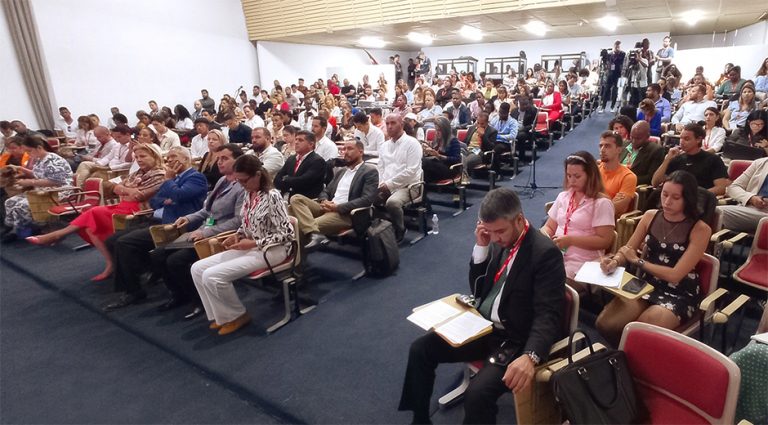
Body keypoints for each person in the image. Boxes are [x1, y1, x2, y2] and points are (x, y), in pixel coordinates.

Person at [398, 188, 565, 424]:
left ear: (519, 219)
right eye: (490, 231)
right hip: (483, 327)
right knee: (420, 349)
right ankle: (420, 420)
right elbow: (479, 291)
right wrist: (482, 248)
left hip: (515, 339)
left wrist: (531, 355)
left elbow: (548, 315)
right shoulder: (497, 240)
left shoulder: (544, 254)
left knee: (477, 394)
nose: (496, 238)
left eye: (500, 231)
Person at [596, 171, 712, 347]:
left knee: (639, 331)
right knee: (605, 323)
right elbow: (628, 249)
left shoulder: (700, 229)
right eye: (664, 194)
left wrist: (638, 261)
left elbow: (675, 275)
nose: (667, 202)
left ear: (688, 199)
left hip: (679, 292)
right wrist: (615, 261)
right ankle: (625, 355)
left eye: (675, 197)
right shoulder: (650, 216)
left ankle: (632, 361)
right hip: (646, 283)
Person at [27, 144, 166, 281]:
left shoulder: (160, 175)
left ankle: (57, 235)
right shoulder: (136, 173)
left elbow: (138, 196)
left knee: (93, 214)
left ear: (155, 157)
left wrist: (122, 188)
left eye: (143, 156)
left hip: (138, 211)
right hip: (122, 206)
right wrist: (126, 189)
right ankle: (110, 263)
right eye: (137, 157)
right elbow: (108, 187)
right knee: (90, 227)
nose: (139, 159)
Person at [191, 155, 295, 335]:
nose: (241, 184)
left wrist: (253, 243)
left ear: (257, 175)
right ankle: (221, 316)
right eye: (238, 180)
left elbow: (287, 234)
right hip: (252, 246)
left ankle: (237, 315)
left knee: (213, 276)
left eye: (243, 180)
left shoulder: (273, 196)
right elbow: (247, 223)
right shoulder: (249, 193)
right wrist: (238, 235)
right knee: (198, 268)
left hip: (273, 250)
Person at [103, 147, 208, 311]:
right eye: (169, 157)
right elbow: (155, 202)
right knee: (112, 240)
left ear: (186, 159)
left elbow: (180, 196)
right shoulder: (175, 178)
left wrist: (169, 184)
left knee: (125, 243)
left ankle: (133, 290)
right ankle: (143, 273)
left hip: (176, 225)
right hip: (159, 220)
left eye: (174, 157)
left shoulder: (196, 177)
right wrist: (169, 195)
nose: (170, 161)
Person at [154, 144, 246, 317]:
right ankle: (178, 294)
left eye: (224, 158)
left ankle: (198, 300)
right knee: (158, 254)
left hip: (220, 236)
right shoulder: (222, 180)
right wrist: (189, 218)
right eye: (218, 158)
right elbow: (207, 210)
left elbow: (238, 221)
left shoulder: (242, 186)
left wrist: (206, 233)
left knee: (176, 261)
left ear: (238, 160)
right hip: (204, 229)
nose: (219, 162)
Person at [541, 151, 615, 288]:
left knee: (549, 285)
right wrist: (542, 236)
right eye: (569, 176)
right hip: (557, 256)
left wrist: (570, 240)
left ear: (590, 176)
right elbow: (549, 227)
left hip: (584, 263)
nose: (572, 180)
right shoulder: (563, 196)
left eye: (577, 176)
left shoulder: (601, 203)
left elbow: (605, 241)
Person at [290, 140, 378, 249]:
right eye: (343, 149)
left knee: (299, 226)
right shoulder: (341, 171)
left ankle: (299, 262)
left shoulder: (369, 171)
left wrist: (338, 207)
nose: (345, 152)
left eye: (349, 149)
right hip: (328, 207)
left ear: (361, 152)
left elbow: (367, 199)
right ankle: (313, 233)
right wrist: (324, 201)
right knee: (296, 198)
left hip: (345, 214)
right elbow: (326, 191)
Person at [2, 137, 73, 241]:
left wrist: (30, 182)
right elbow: (37, 174)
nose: (28, 153)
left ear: (39, 148)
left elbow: (57, 181)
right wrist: (21, 169)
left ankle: (20, 229)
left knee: (22, 205)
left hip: (59, 191)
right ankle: (11, 226)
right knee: (10, 201)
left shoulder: (53, 160)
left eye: (29, 151)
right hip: (43, 189)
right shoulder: (39, 159)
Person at [377, 114, 423, 242]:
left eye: (393, 123)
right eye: (387, 124)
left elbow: (411, 171)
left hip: (409, 186)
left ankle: (400, 228)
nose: (389, 127)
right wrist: (382, 183)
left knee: (392, 203)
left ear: (401, 125)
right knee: (366, 198)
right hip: (386, 184)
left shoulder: (412, 143)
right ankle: (383, 227)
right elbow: (380, 167)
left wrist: (389, 184)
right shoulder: (384, 145)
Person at [652, 123, 730, 195]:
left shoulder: (713, 160)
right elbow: (655, 183)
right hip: (673, 197)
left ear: (698, 139)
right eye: (681, 138)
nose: (681, 142)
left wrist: (693, 195)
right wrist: (667, 159)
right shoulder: (677, 159)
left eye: (686, 139)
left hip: (698, 200)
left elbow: (721, 188)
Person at [719, 157, 768, 232]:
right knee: (712, 212)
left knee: (717, 213)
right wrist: (751, 198)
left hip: (765, 213)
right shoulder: (761, 163)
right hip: (748, 209)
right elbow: (733, 187)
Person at [273, 130, 326, 199]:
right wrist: (288, 181)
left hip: (305, 200)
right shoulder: (291, 159)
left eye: (300, 140)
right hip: (286, 197)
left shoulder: (317, 161)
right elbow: (277, 179)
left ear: (311, 144)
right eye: (296, 139)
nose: (296, 142)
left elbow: (304, 182)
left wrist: (286, 179)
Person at [598, 131, 637, 217]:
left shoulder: (628, 177)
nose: (602, 150)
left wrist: (594, 193)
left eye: (607, 146)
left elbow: (616, 209)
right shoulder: (594, 171)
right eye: (601, 146)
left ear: (619, 150)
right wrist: (609, 199)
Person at [620, 121, 664, 185]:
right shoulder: (624, 144)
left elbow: (650, 177)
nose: (634, 141)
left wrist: (627, 180)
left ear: (647, 136)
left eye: (638, 138)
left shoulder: (656, 150)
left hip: (632, 186)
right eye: (632, 137)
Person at [421, 116, 461, 183]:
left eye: (439, 130)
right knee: (421, 161)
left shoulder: (453, 141)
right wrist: (427, 150)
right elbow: (434, 154)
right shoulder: (437, 140)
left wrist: (439, 156)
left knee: (425, 163)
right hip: (439, 165)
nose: (437, 132)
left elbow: (456, 159)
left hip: (449, 168)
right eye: (436, 130)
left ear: (445, 130)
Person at [599, 40, 626, 113]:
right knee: (606, 90)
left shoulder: (622, 54)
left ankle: (612, 106)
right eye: (616, 45)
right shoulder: (610, 54)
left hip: (618, 74)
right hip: (610, 74)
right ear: (614, 46)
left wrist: (618, 53)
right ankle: (603, 107)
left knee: (615, 90)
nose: (617, 47)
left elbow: (621, 61)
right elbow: (606, 62)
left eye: (618, 46)